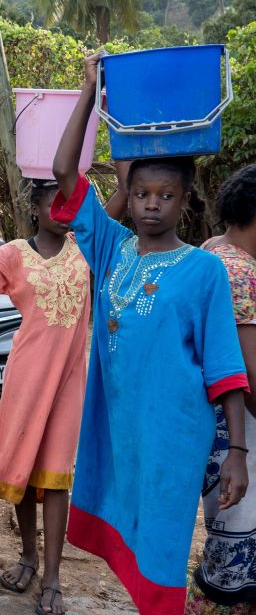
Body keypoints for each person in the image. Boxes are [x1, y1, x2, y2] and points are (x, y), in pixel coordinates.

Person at [50, 54, 249, 614]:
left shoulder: (203, 269)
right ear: (128, 198)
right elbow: (66, 173)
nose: (152, 205)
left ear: (185, 200)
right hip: (118, 430)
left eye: (165, 195)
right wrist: (88, 89)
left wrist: (236, 451)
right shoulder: (111, 250)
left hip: (171, 435)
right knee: (130, 548)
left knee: (160, 555)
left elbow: (225, 367)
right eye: (142, 195)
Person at [0, 173, 125, 614]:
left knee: (56, 476)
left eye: (69, 204)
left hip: (68, 383)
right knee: (24, 471)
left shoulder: (88, 248)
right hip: (26, 378)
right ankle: (29, 556)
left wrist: (123, 154)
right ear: (34, 209)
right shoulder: (13, 256)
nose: (62, 212)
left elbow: (115, 200)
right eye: (52, 203)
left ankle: (53, 577)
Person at [188, 164, 256, 612]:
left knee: (224, 549)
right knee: (233, 568)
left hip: (208, 436)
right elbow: (253, 383)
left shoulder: (211, 252)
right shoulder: (243, 274)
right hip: (239, 439)